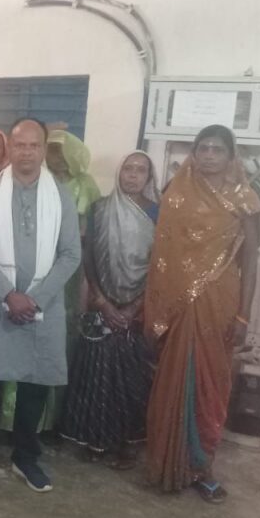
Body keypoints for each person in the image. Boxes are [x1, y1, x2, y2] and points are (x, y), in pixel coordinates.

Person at [0, 118, 81, 492]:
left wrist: (35, 298)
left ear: (44, 149)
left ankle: (26, 457)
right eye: (20, 145)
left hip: (44, 306)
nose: (26, 152)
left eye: (34, 145)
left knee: (34, 383)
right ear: (10, 148)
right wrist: (10, 295)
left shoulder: (61, 196)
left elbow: (71, 254)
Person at [144, 124, 260, 504]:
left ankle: (202, 466)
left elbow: (251, 261)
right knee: (173, 379)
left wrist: (243, 316)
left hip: (220, 302)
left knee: (211, 385)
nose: (209, 155)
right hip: (177, 304)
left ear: (231, 156)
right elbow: (162, 253)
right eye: (203, 148)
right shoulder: (176, 192)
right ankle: (167, 461)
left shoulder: (244, 197)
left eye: (217, 149)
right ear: (194, 153)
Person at [60, 151, 159, 469]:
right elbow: (89, 255)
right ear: (119, 172)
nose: (133, 175)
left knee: (132, 379)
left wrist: (133, 307)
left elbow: (161, 264)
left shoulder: (159, 212)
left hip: (138, 308)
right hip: (102, 304)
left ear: (149, 177)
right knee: (98, 376)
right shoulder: (100, 208)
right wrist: (102, 300)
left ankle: (127, 443)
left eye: (140, 170)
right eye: (128, 169)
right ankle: (97, 439)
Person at [0, 128, 101, 436]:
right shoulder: (32, 181)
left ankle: (49, 421)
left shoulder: (85, 185)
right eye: (52, 151)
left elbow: (85, 235)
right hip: (25, 268)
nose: (55, 158)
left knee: (54, 340)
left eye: (59, 151)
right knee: (17, 333)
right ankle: (10, 420)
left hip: (65, 273)